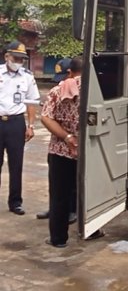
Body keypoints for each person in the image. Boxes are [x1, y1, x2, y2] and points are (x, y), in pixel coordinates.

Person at [41, 57, 82, 247]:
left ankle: (58, 239)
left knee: (59, 195)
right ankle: (92, 228)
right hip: (90, 151)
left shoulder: (58, 91)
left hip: (60, 151)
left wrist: (67, 137)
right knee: (89, 193)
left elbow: (46, 118)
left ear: (70, 72)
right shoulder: (96, 92)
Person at [0, 41, 40, 215]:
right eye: (16, 58)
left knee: (16, 164)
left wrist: (30, 125)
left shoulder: (27, 76)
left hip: (16, 123)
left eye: (22, 59)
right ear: (6, 56)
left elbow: (31, 102)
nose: (19, 62)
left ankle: (15, 202)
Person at [36, 58, 77, 224]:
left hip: (73, 146)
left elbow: (46, 118)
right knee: (57, 183)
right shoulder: (57, 91)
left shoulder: (85, 90)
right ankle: (56, 210)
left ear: (70, 72)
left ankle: (72, 210)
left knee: (73, 183)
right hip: (57, 147)